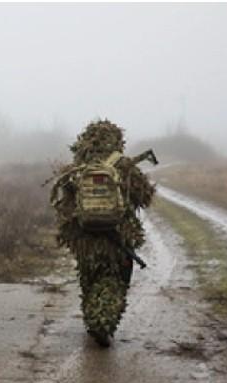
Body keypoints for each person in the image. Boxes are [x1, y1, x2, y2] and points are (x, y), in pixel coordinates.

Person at [50, 119, 155, 347]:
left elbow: (64, 206)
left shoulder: (75, 169)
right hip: (118, 238)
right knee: (115, 280)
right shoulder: (124, 166)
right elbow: (145, 197)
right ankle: (102, 321)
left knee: (89, 278)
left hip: (85, 240)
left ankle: (93, 318)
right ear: (116, 141)